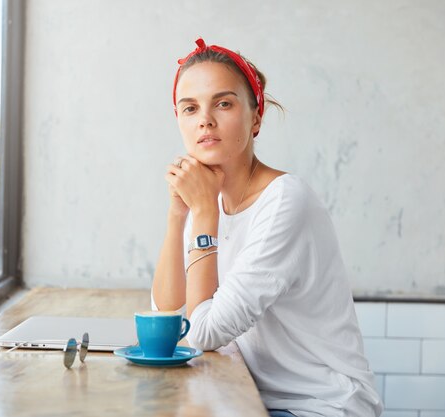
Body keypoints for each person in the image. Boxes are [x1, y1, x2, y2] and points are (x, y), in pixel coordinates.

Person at [151, 38, 383, 417]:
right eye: (190, 108)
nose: (204, 119)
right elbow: (167, 320)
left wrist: (204, 212)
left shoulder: (286, 201)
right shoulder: (206, 203)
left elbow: (201, 335)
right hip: (252, 399)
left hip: (321, 406)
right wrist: (178, 215)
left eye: (223, 103)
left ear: (256, 118)